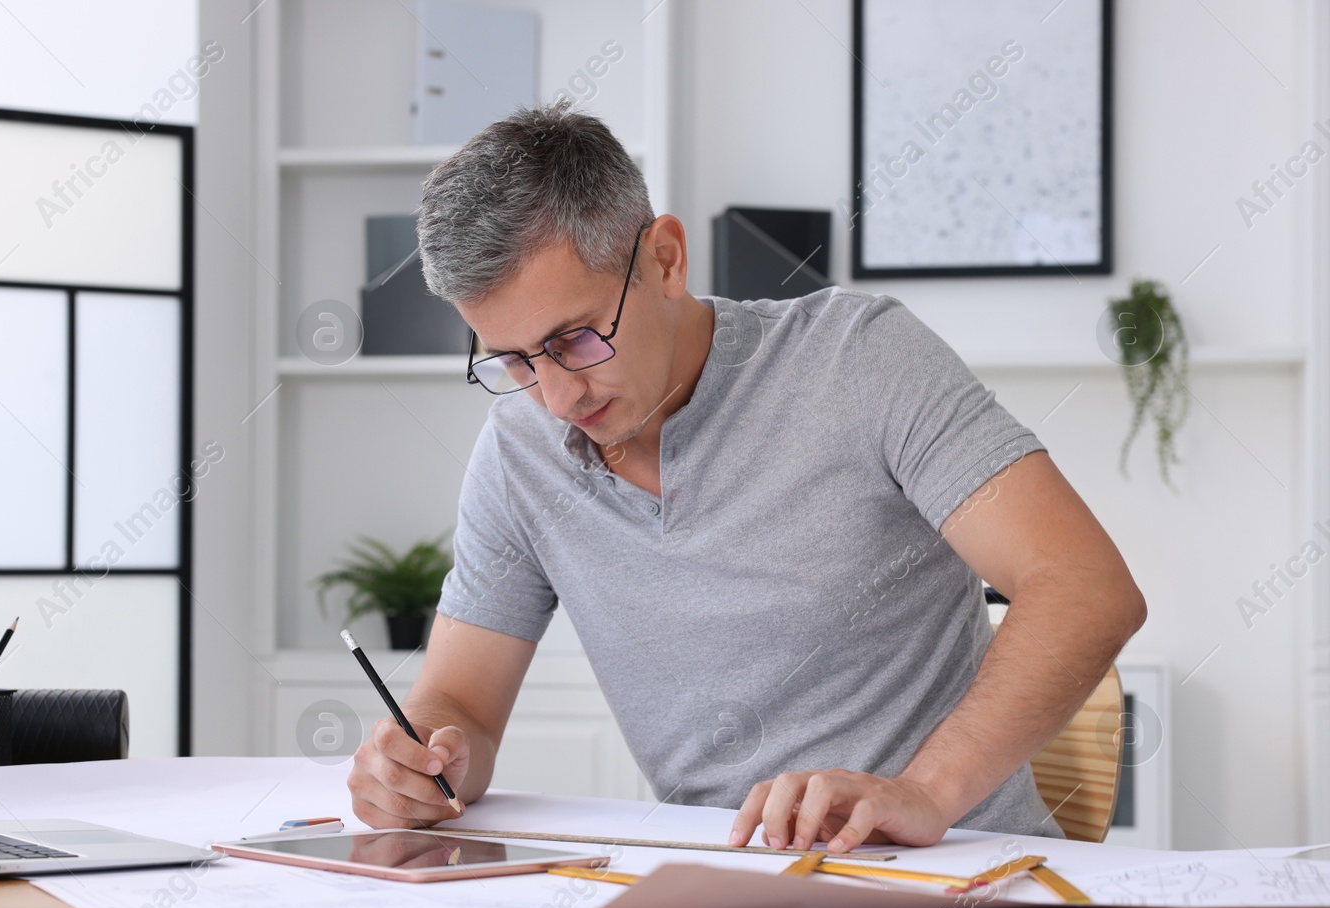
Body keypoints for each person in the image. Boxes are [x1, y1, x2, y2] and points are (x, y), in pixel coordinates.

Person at [346, 102, 1145, 855]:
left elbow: (1083, 587)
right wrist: (422, 758)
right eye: (514, 360)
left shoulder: (859, 360)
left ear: (664, 258)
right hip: (734, 893)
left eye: (577, 339)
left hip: (960, 877)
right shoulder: (520, 449)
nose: (556, 397)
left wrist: (925, 791)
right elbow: (462, 708)